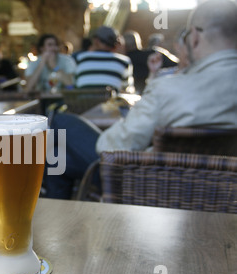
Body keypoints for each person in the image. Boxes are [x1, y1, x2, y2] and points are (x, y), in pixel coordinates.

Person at [45, 0, 237, 199]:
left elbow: (112, 146)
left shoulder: (169, 89)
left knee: (58, 121)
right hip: (219, 193)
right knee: (58, 160)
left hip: (149, 186)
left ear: (194, 38)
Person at [75, 26, 134, 93]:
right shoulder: (124, 61)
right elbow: (127, 89)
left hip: (83, 102)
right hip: (112, 102)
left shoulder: (80, 58)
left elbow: (76, 83)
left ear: (96, 41)